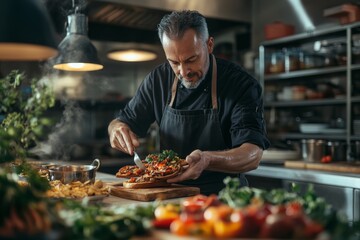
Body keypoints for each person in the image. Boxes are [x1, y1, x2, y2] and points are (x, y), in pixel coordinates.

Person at [108, 10, 270, 195]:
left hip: (224, 198)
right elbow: (122, 122)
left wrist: (207, 159)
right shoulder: (158, 80)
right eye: (174, 62)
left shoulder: (240, 84)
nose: (183, 72)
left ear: (209, 45)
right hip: (171, 198)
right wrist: (116, 129)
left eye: (191, 60)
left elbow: (252, 155)